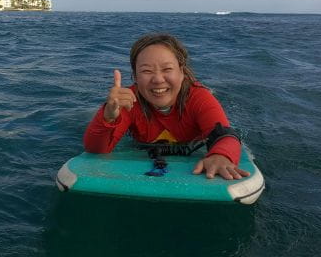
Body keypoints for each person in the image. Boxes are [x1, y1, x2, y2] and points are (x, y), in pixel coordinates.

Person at [84, 33, 250, 181]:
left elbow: (225, 135)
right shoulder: (129, 102)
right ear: (135, 76)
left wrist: (220, 155)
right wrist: (108, 116)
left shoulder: (199, 98)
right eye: (146, 71)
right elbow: (96, 149)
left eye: (167, 69)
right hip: (144, 148)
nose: (158, 79)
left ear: (181, 72)